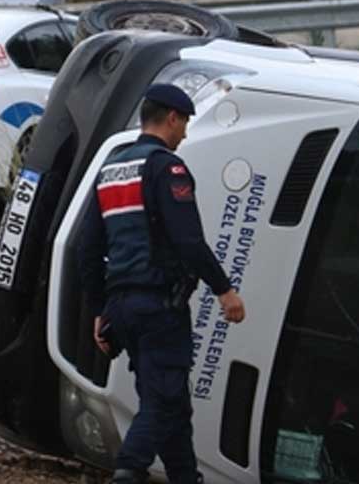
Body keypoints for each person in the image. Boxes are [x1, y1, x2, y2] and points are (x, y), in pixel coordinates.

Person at [78, 84, 246, 484]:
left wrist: (100, 309)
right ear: (172, 117)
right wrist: (224, 290)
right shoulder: (165, 167)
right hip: (159, 307)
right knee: (163, 400)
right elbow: (188, 241)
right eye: (184, 123)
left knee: (174, 406)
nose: (185, 134)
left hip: (123, 308)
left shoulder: (113, 168)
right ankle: (129, 469)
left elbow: (87, 246)